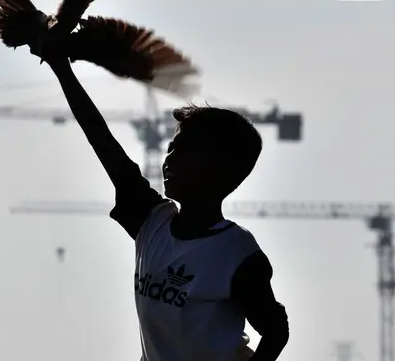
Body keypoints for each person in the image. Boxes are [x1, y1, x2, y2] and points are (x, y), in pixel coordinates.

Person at [44, 56, 290, 361]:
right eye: (171, 149)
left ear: (218, 170)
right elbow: (100, 138)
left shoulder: (237, 254)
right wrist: (60, 66)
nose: (169, 159)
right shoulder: (152, 222)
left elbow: (276, 330)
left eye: (185, 151)